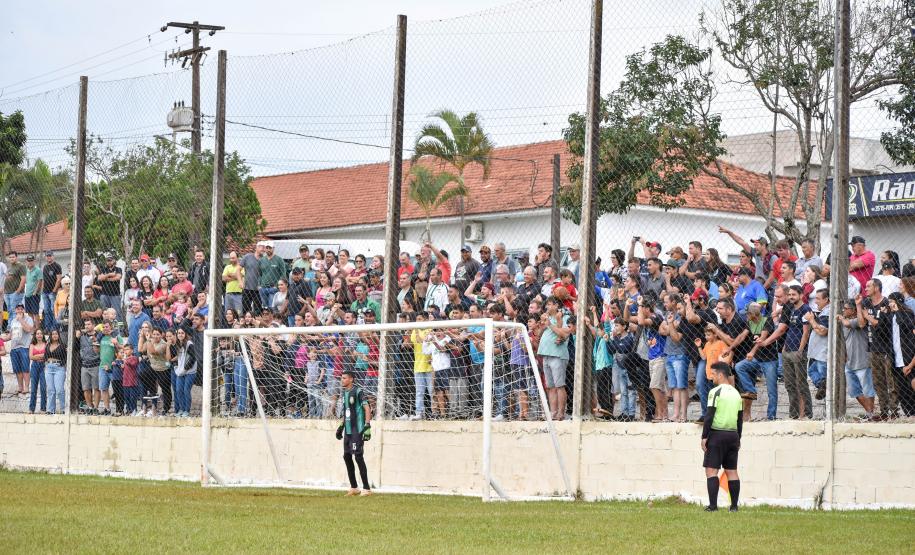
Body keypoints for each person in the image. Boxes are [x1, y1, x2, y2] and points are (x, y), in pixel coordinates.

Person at [701, 362, 743, 512]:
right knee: (731, 471)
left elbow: (709, 415)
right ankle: (734, 507)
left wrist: (704, 436)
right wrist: (739, 438)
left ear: (720, 375)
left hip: (717, 434)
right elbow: (739, 418)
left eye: (712, 374)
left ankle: (713, 506)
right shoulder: (736, 393)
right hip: (733, 435)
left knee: (711, 471)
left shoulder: (715, 392)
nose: (710, 377)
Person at [335, 369, 372, 496]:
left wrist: (367, 426)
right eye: (341, 378)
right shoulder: (345, 393)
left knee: (358, 456)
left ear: (351, 379)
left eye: (344, 378)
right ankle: (354, 487)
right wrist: (341, 426)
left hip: (358, 429)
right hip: (348, 430)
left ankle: (366, 488)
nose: (342, 380)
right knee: (346, 456)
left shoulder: (358, 391)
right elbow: (347, 412)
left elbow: (367, 408)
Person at [839, 298, 875, 420]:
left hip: (862, 359)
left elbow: (857, 323)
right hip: (850, 362)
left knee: (867, 389)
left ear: (854, 310)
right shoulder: (846, 320)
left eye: (846, 308)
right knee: (854, 391)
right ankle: (870, 412)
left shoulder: (859, 319)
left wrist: (842, 319)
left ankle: (870, 414)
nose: (844, 310)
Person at [537, 296, 572, 420]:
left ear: (557, 306)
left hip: (558, 355)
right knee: (550, 387)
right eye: (547, 305)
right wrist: (542, 325)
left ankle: (561, 413)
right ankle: (553, 412)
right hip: (546, 355)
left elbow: (564, 333)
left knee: (559, 386)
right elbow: (540, 334)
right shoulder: (547, 318)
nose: (548, 307)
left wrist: (550, 325)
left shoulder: (565, 317)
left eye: (551, 304)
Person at [887, 293, 915, 416]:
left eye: (891, 301)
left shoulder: (907, 313)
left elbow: (905, 325)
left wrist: (898, 311)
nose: (889, 304)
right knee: (902, 388)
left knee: (911, 385)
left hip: (908, 355)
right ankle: (908, 412)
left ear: (898, 302)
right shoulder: (890, 315)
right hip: (896, 356)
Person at [77, 319, 101, 414]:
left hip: (96, 364)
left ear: (93, 325)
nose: (86, 326)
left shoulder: (99, 335)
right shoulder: (82, 337)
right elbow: (76, 346)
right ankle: (90, 407)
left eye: (88, 324)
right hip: (84, 365)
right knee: (86, 388)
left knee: (96, 388)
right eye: (85, 324)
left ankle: (96, 407)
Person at [45, 328, 67, 414]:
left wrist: (60, 364)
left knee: (59, 389)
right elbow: (45, 356)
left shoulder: (62, 346)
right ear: (50, 335)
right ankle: (50, 410)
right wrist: (47, 363)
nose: (55, 335)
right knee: (51, 390)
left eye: (56, 334)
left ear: (58, 335)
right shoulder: (47, 345)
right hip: (49, 368)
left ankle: (63, 409)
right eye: (53, 334)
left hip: (59, 368)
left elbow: (65, 358)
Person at [28, 328, 47, 414]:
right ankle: (31, 409)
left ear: (43, 335)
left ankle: (43, 408)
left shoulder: (46, 344)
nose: (39, 335)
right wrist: (41, 355)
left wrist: (37, 356)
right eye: (37, 334)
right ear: (35, 335)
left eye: (41, 333)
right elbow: (31, 357)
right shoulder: (32, 345)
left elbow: (46, 356)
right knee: (33, 389)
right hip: (35, 366)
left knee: (43, 388)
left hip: (43, 366)